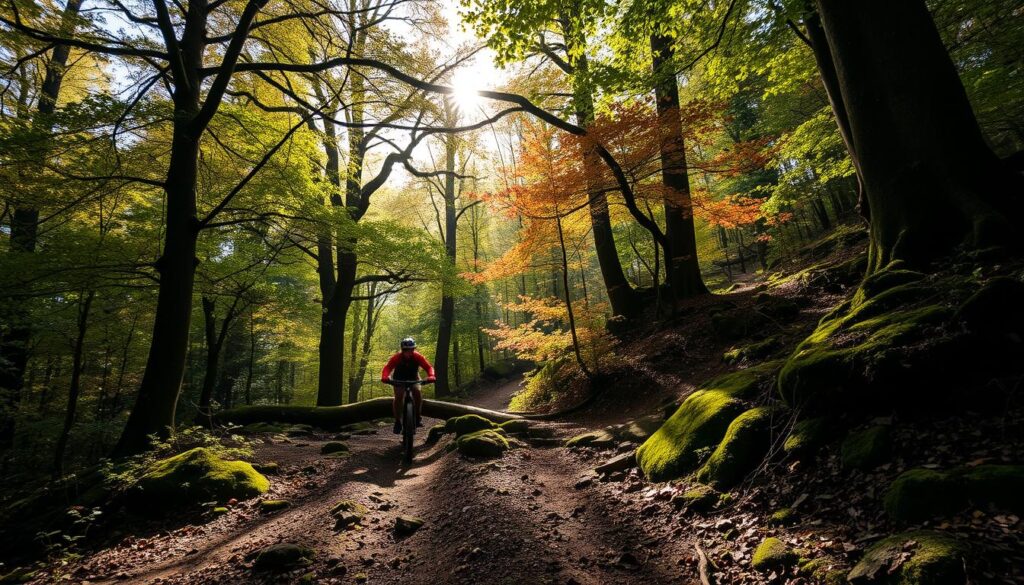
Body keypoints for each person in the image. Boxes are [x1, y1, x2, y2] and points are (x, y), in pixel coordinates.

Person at [380, 337, 435, 434]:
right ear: (402, 350)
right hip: (399, 379)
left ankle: (417, 417)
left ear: (414, 349)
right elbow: (388, 367)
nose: (409, 352)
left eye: (411, 349)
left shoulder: (418, 357)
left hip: (414, 378)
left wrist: (431, 376)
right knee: (399, 396)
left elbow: (428, 367)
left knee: (417, 392)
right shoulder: (396, 357)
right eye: (406, 350)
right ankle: (397, 422)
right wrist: (385, 377)